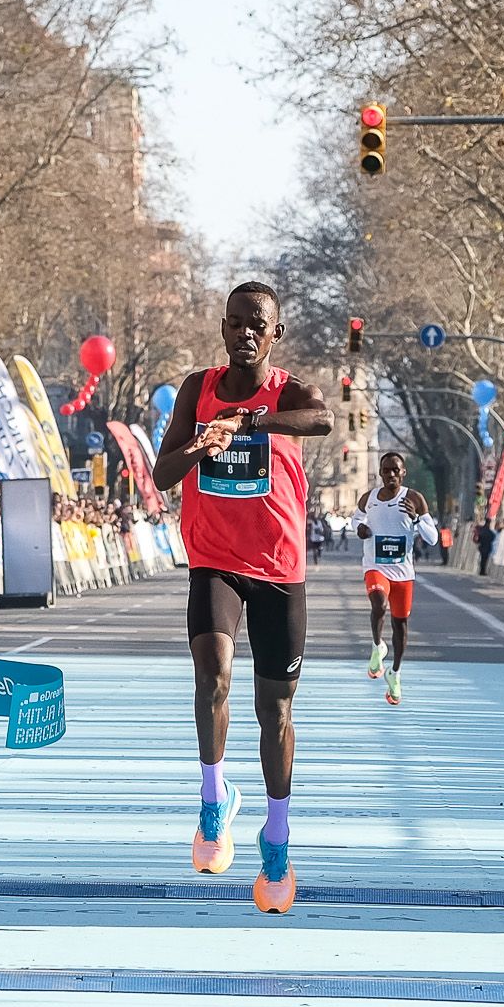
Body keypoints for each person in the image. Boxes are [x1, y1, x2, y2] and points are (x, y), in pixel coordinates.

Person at [151, 282, 334, 913]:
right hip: (215, 562)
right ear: (224, 329)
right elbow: (160, 473)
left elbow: (323, 418)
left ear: (274, 333)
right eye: (234, 323)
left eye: (256, 324)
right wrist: (200, 444)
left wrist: (255, 419)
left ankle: (277, 835)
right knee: (213, 675)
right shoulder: (196, 390)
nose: (243, 333)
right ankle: (213, 796)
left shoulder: (287, 391)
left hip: (279, 569)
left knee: (274, 710)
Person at [352, 450, 436, 706]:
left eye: (395, 470)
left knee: (400, 625)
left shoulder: (414, 498)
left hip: (403, 572)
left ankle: (395, 673)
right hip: (375, 566)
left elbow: (432, 538)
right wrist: (361, 529)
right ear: (380, 473)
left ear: (403, 473)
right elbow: (356, 520)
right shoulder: (369, 498)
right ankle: (378, 646)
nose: (391, 475)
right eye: (386, 470)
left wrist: (417, 519)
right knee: (379, 604)